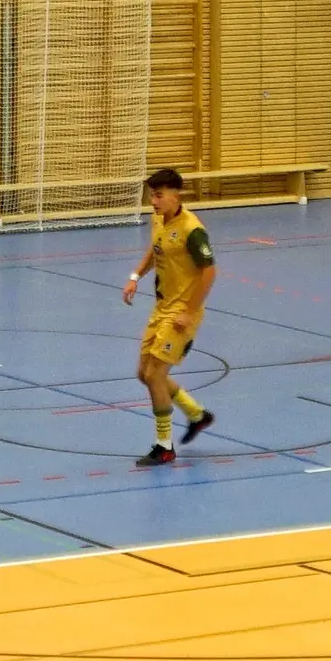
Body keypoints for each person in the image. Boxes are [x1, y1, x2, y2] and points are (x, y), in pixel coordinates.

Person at [122, 169, 217, 467]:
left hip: (180, 314)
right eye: (152, 194)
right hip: (161, 309)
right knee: (145, 374)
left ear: (177, 195)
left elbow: (210, 272)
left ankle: (164, 447)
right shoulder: (158, 219)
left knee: (154, 376)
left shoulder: (192, 229)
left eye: (159, 195)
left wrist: (189, 312)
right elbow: (156, 249)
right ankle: (197, 415)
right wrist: (136, 276)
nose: (154, 200)